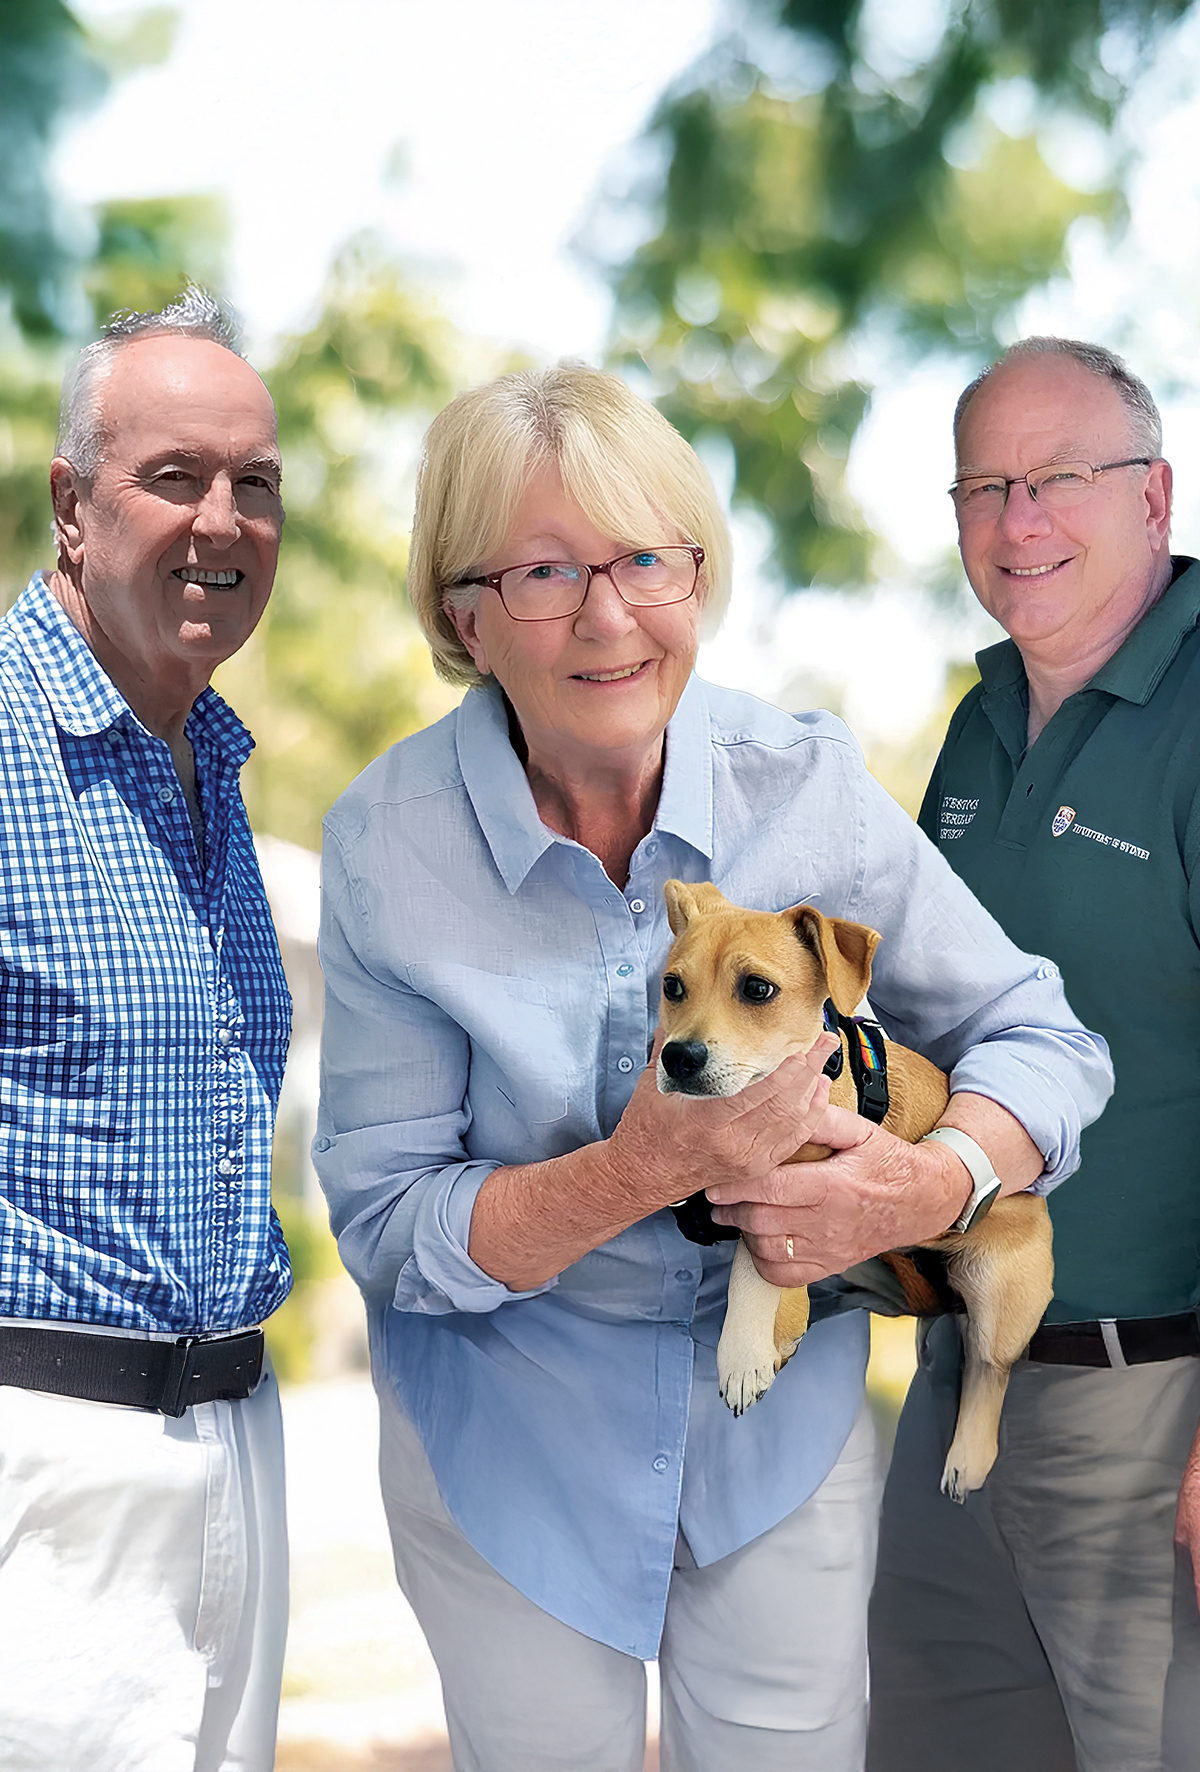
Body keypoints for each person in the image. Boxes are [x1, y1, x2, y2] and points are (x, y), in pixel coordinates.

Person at [314, 363, 1112, 1772]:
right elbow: (389, 1226)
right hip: (513, 1433)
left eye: (647, 560)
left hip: (777, 1451)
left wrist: (931, 1183)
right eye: (547, 571)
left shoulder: (800, 783)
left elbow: (1042, 1036)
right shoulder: (392, 845)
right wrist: (642, 1171)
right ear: (464, 613)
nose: (610, 616)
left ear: (698, 572)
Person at [868, 337, 1200, 1772]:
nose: (1020, 523)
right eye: (985, 488)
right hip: (964, 1384)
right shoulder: (979, 725)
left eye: (1060, 478)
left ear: (1157, 496)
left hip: (1156, 1406)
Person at [0, 288, 293, 1772]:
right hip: (43, 1471)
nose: (223, 521)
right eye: (175, 477)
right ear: (71, 505)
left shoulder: (212, 762)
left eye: (257, 483)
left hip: (240, 1447)